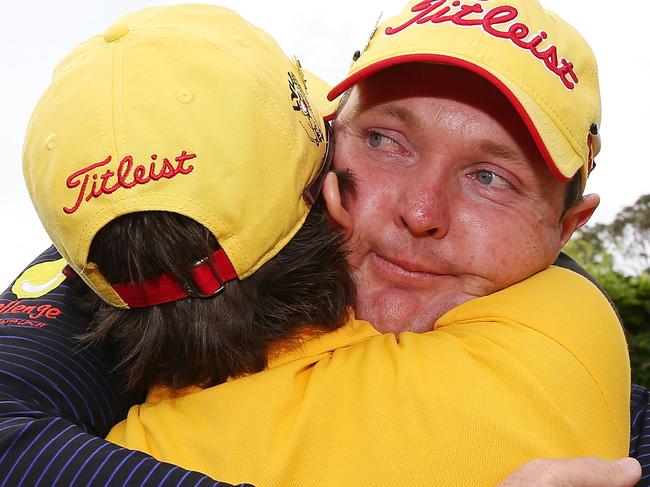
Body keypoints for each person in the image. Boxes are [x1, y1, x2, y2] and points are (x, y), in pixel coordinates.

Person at [0, 1, 643, 486]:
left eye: (489, 178)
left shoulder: (563, 330)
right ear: (322, 142)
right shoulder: (174, 260)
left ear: (566, 227)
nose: (421, 213)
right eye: (387, 140)